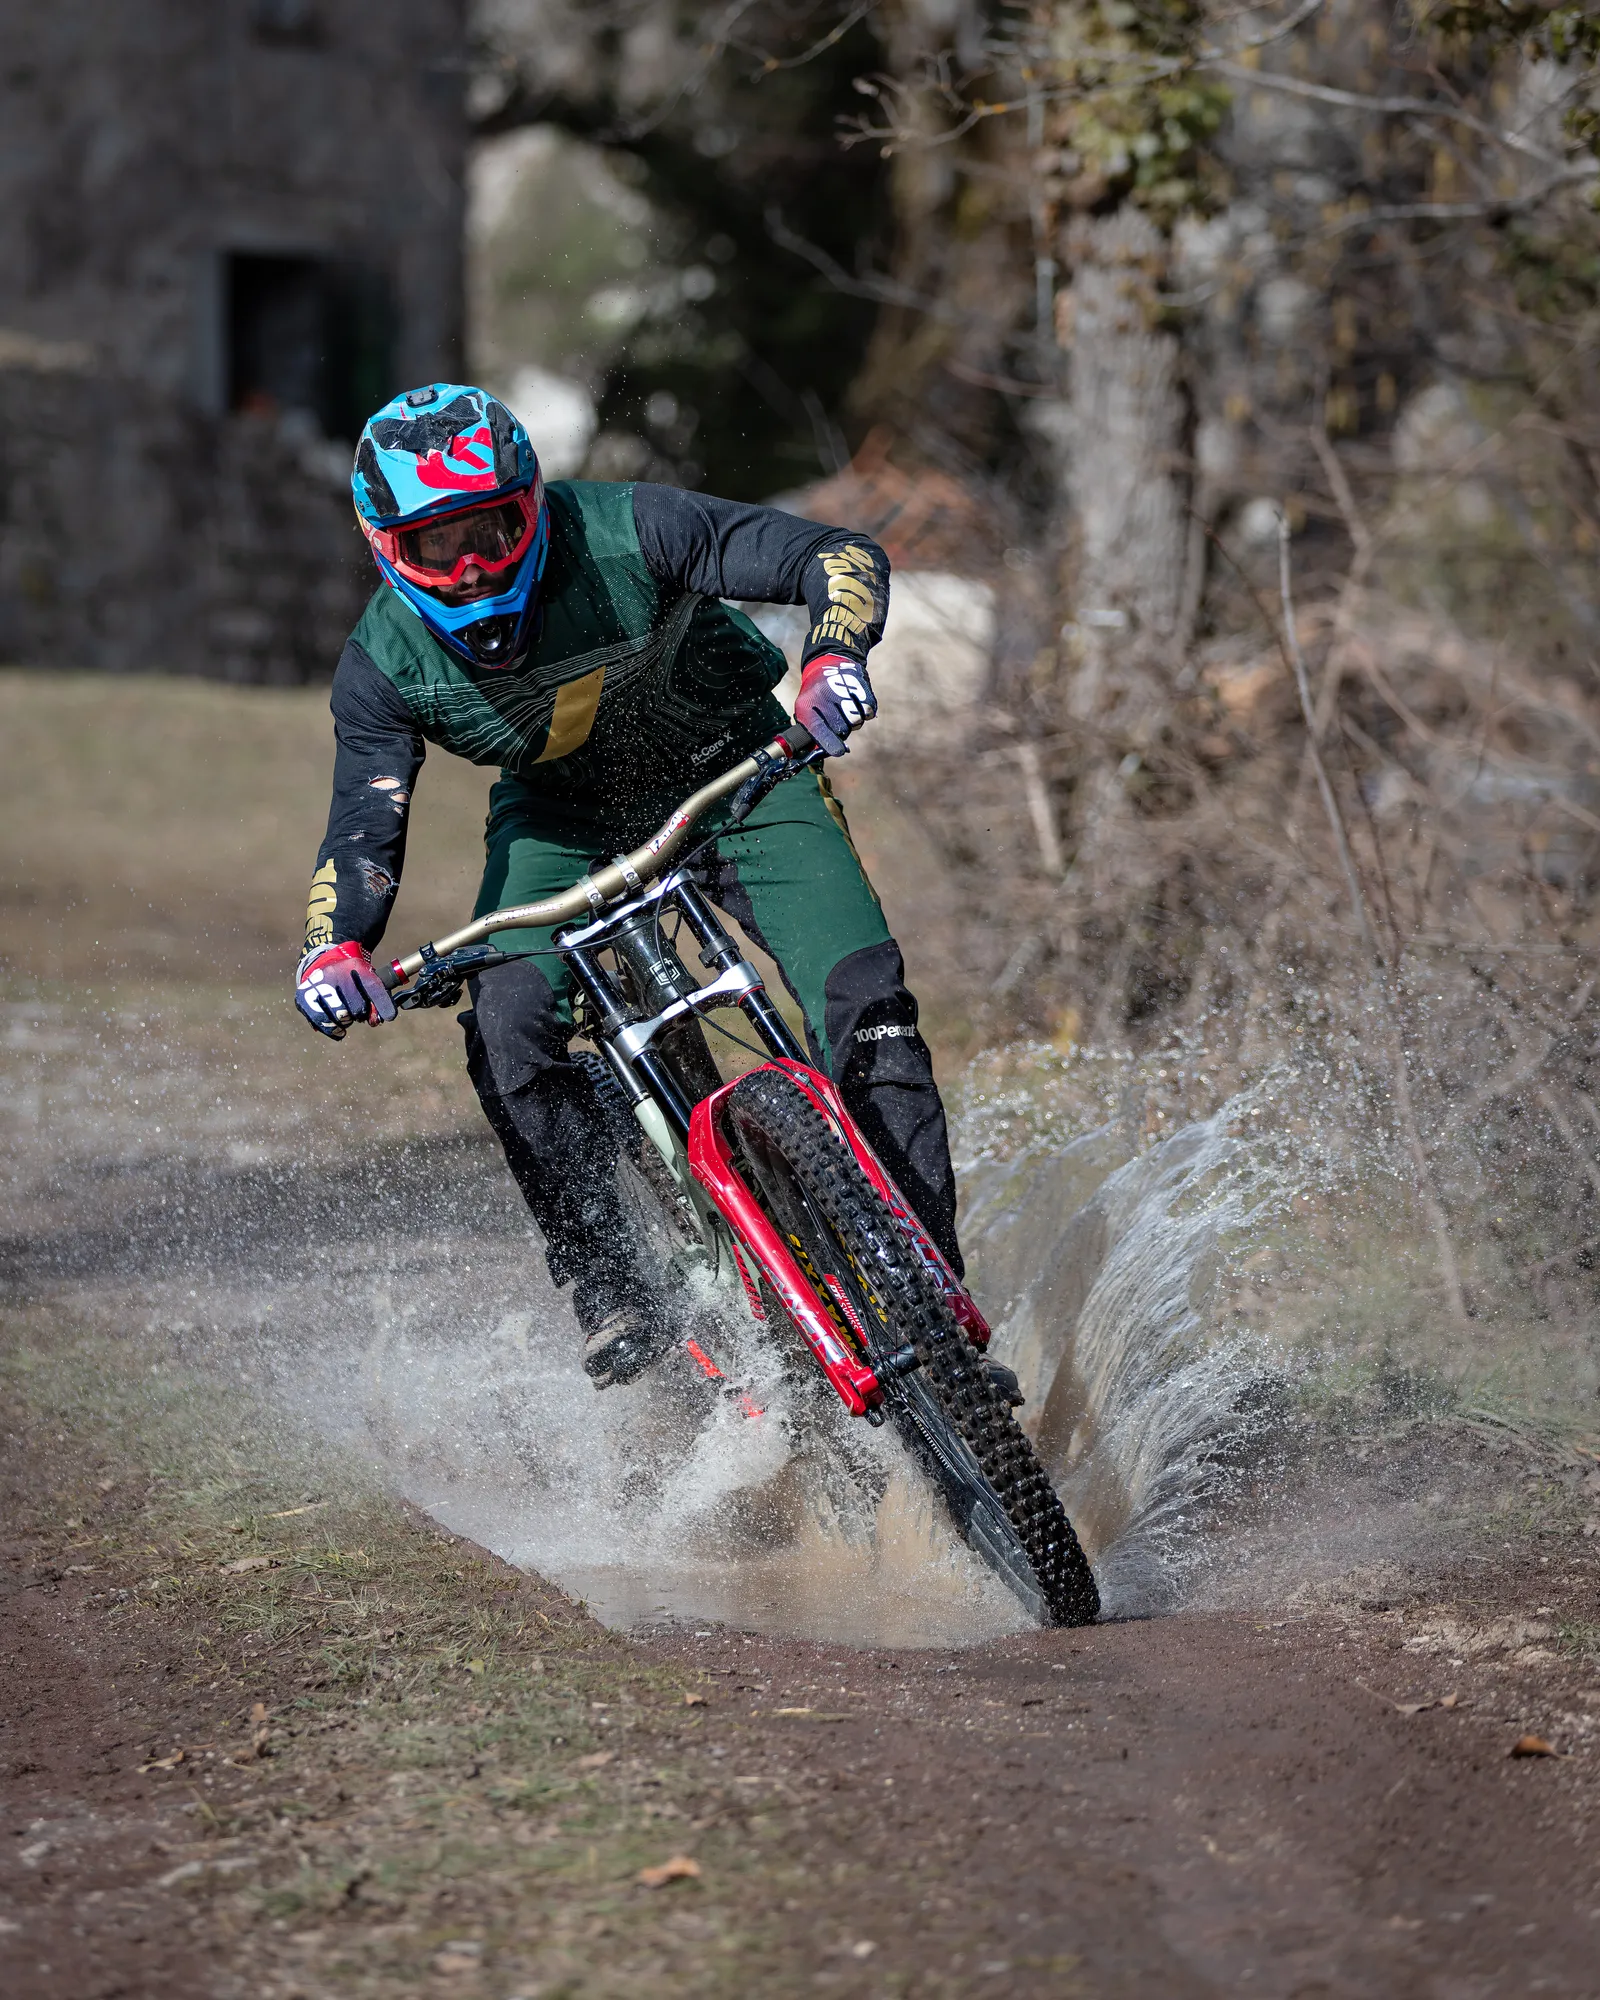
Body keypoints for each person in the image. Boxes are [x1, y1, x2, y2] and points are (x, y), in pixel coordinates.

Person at [294, 382, 962, 1388]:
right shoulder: (380, 664)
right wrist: (336, 944)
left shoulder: (630, 526)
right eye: (438, 546)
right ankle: (608, 1282)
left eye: (492, 532)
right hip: (561, 820)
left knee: (867, 1000)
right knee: (507, 1024)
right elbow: (362, 823)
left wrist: (831, 658)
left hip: (742, 770)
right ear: (386, 548)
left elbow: (837, 554)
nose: (472, 569)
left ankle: (937, 1307)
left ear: (534, 505)